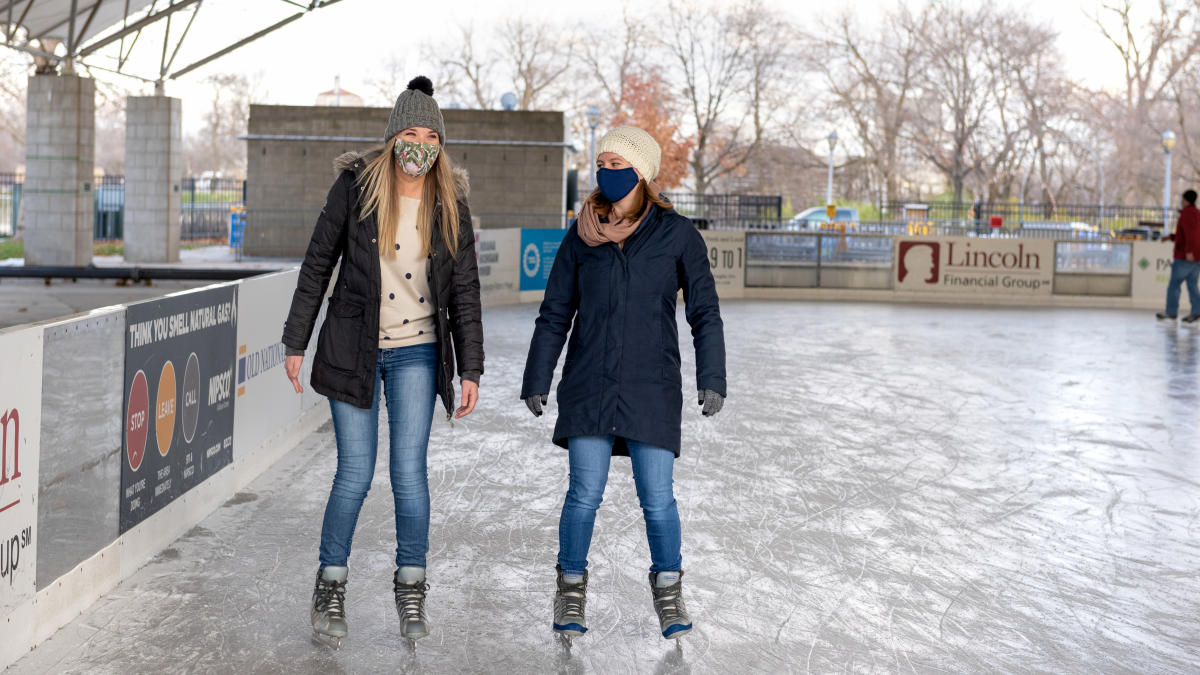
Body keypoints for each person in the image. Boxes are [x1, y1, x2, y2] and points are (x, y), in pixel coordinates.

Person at [280, 76, 483, 649]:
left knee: (409, 475)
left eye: (431, 137)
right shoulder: (356, 189)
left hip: (419, 352)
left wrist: (471, 369)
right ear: (393, 136)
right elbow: (317, 264)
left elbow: (464, 292)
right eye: (411, 134)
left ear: (440, 145)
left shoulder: (452, 204)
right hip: (354, 347)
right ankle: (331, 584)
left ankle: (411, 585)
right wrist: (296, 341)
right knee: (354, 472)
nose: (420, 146)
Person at [521, 126, 727, 641]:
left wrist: (712, 375)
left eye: (618, 164)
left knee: (657, 497)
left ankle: (669, 589)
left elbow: (705, 313)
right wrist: (537, 374)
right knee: (583, 494)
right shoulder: (581, 234)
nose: (607, 172)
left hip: (650, 386)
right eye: (602, 162)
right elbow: (554, 313)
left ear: (643, 173)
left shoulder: (677, 234)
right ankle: (570, 587)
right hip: (589, 381)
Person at [1156, 189, 1200, 323]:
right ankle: (1196, 312)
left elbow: (1190, 235)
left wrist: (1188, 252)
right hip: (1196, 256)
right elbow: (1185, 235)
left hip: (1185, 256)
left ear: (1186, 200)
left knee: (1174, 285)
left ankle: (1171, 312)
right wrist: (1170, 237)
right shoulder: (1196, 214)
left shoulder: (1187, 214)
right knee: (1192, 285)